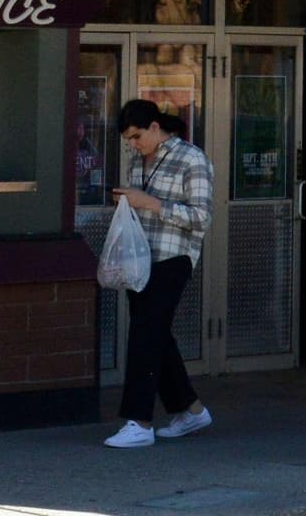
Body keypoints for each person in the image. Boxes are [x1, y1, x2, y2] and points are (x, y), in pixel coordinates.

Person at [104, 98, 216, 449]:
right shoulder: (138, 160)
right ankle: (191, 410)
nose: (133, 145)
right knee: (154, 334)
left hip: (174, 256)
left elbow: (201, 217)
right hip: (140, 257)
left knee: (145, 334)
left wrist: (149, 203)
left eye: (137, 136)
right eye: (129, 140)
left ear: (155, 127)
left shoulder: (192, 159)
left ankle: (139, 421)